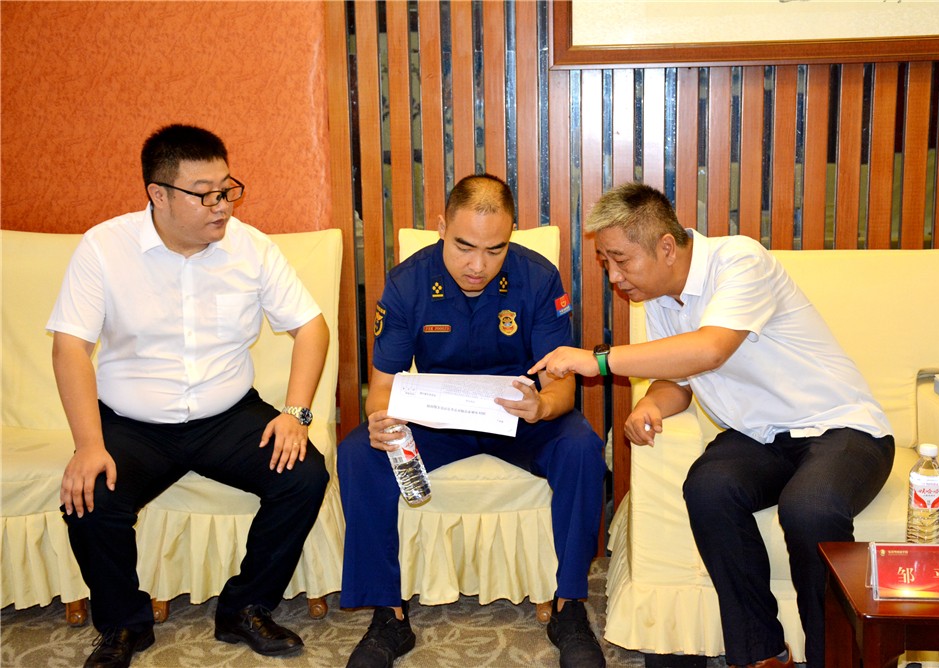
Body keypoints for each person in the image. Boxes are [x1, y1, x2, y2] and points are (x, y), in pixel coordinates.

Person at [529, 182, 895, 668]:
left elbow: (710, 349)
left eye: (621, 260)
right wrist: (652, 404)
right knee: (708, 488)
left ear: (666, 247)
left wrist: (597, 360)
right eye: (606, 263)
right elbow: (678, 378)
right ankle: (762, 654)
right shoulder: (660, 299)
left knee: (808, 508)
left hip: (843, 428)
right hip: (762, 438)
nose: (614, 277)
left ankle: (837, 658)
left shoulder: (740, 260)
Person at [48, 124, 331, 668]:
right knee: (90, 498)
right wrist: (89, 445)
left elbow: (311, 327)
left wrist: (295, 413)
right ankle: (124, 625)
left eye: (227, 189)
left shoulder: (251, 247)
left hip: (227, 415)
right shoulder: (104, 247)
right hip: (133, 422)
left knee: (303, 476)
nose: (222, 205)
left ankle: (245, 608)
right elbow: (70, 349)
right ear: (158, 194)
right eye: (204, 194)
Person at [338, 174, 607, 668]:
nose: (477, 265)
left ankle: (569, 606)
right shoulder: (406, 282)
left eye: (494, 249)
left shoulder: (538, 277)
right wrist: (381, 418)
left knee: (582, 445)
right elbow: (382, 386)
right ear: (442, 227)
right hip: (438, 419)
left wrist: (542, 407)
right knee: (359, 451)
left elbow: (562, 388)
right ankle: (389, 615)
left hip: (519, 417)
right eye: (464, 246)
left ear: (511, 236)